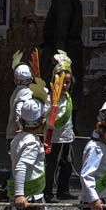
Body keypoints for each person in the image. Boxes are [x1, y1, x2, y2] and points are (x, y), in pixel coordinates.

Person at [2, 97, 56, 210]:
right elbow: (21, 167)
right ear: (42, 121)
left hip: (33, 191)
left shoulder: (20, 137)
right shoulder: (31, 143)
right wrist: (20, 194)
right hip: (30, 193)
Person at [40, 0, 85, 119]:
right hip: (67, 49)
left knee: (64, 85)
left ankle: (65, 119)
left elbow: (62, 28)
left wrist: (59, 54)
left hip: (65, 51)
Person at [44, 50, 76, 202]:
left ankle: (63, 190)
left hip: (67, 138)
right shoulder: (49, 98)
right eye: (61, 81)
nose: (64, 85)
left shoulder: (68, 98)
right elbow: (45, 115)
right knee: (51, 166)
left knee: (67, 164)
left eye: (67, 82)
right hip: (53, 139)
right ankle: (48, 192)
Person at [5, 50, 36, 141]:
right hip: (19, 135)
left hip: (15, 133)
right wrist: (21, 126)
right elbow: (19, 109)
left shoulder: (18, 91)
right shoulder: (26, 92)